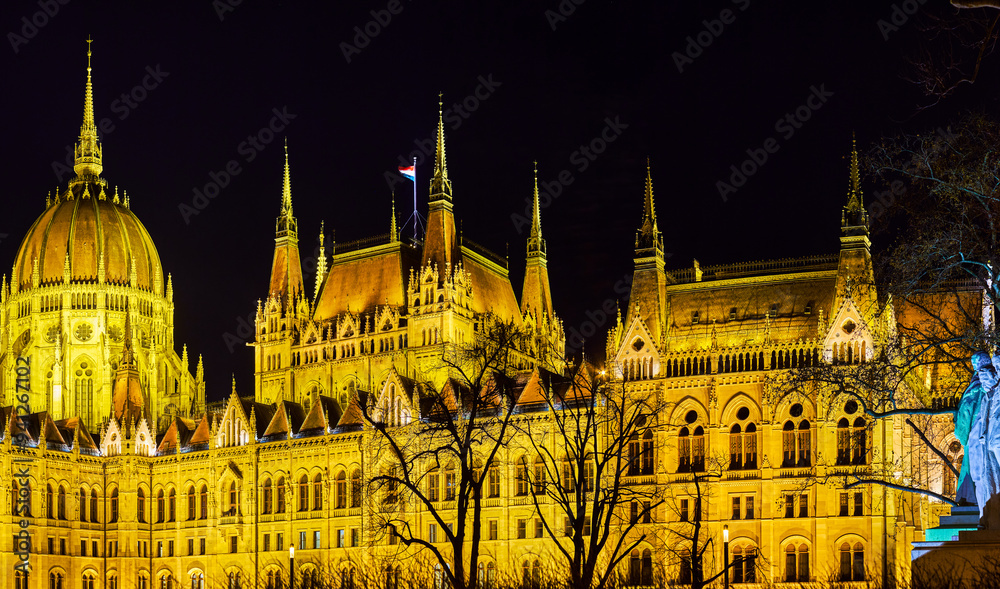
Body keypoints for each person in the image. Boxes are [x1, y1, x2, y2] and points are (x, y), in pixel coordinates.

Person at [966, 353, 1000, 527]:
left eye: (986, 375)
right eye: (981, 375)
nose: (983, 379)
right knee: (987, 479)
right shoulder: (987, 395)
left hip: (995, 442)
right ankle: (987, 517)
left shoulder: (987, 392)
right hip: (988, 444)